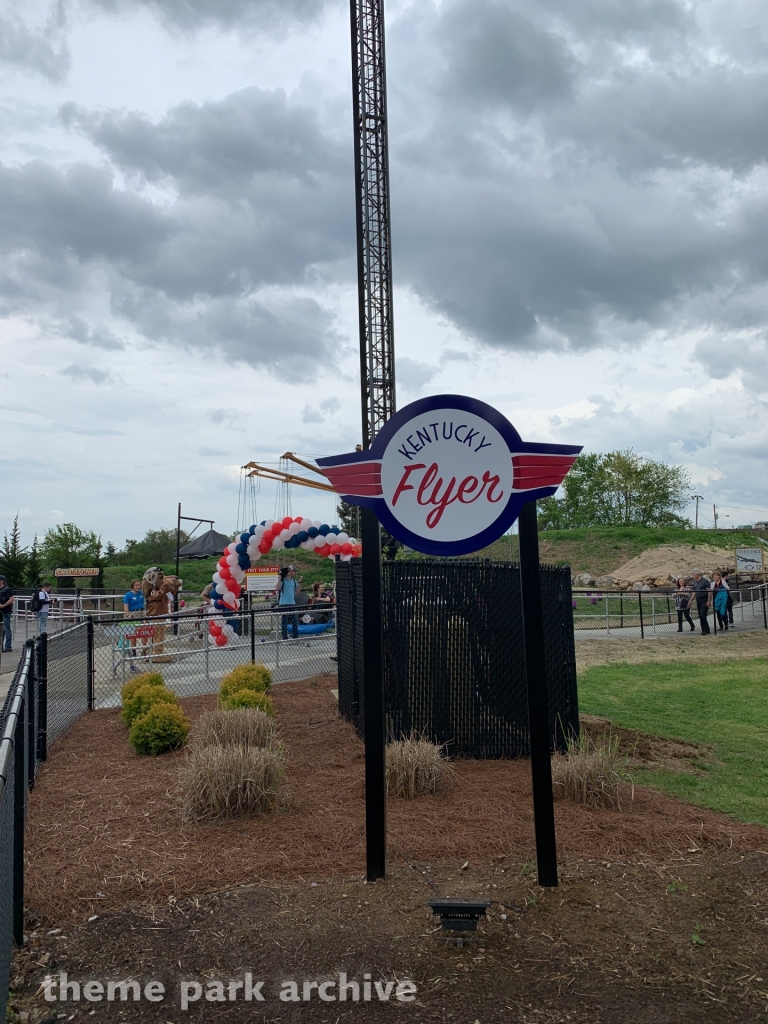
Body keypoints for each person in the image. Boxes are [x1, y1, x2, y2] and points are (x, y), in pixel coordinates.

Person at [123, 579, 145, 669]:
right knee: (133, 634)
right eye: (136, 585)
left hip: (142, 613)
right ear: (132, 586)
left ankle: (145, 649)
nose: (138, 586)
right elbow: (126, 606)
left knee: (144, 632)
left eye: (139, 585)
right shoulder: (128, 595)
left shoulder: (142, 593)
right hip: (133, 613)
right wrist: (128, 615)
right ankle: (134, 650)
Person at [276, 565, 301, 640]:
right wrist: (279, 579)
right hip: (284, 603)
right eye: (294, 571)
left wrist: (299, 582)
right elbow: (277, 588)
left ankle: (295, 637)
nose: (295, 572)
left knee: (295, 621)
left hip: (292, 603)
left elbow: (297, 591)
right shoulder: (283, 580)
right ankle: (284, 637)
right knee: (285, 621)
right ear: (289, 572)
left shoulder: (293, 580)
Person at [691, 569, 711, 634]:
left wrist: (709, 601)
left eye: (693, 575)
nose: (692, 576)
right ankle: (704, 629)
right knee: (700, 615)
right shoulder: (695, 582)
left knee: (703, 614)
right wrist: (691, 600)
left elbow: (709, 591)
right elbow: (694, 592)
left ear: (697, 574)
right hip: (698, 599)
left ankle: (705, 630)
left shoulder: (705, 581)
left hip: (704, 598)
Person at [0, 574, 13, 652]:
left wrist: (4, 605)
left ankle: (8, 646)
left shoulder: (7, 589)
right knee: (1, 629)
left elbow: (11, 599)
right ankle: (1, 646)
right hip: (1, 612)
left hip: (5, 611)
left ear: (2, 581)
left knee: (6, 629)